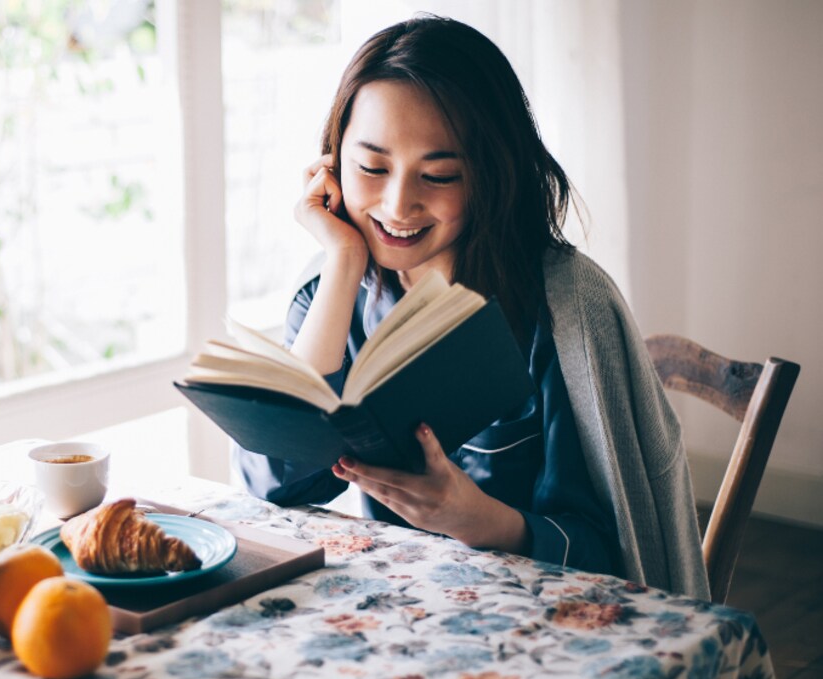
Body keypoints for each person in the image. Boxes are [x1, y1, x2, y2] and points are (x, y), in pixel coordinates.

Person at [234, 15, 709, 600]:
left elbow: (618, 556)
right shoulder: (333, 284)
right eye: (371, 168)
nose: (398, 203)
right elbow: (272, 482)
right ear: (331, 163)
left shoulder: (564, 313)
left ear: (492, 175)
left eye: (439, 175)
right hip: (399, 615)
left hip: (544, 625)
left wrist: (478, 519)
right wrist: (340, 262)